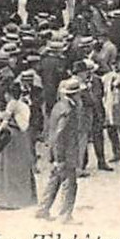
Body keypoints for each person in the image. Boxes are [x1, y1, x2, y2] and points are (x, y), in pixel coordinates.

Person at [37, 78, 84, 222]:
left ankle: (43, 209)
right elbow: (60, 134)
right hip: (66, 153)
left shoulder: (59, 106)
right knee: (69, 184)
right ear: (75, 94)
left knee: (54, 181)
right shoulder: (69, 110)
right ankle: (65, 215)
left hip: (57, 151)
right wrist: (60, 158)